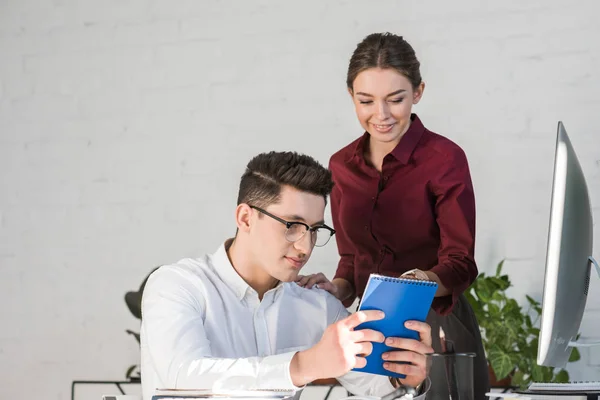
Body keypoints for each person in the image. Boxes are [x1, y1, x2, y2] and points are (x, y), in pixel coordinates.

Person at [140, 151, 434, 400]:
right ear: (245, 218)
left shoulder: (319, 306)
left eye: (315, 229)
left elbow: (377, 390)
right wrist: (302, 365)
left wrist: (404, 379)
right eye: (292, 225)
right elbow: (182, 377)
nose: (305, 246)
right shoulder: (176, 286)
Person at [296, 33, 490, 399]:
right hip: (371, 330)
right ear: (351, 96)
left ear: (418, 92)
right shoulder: (341, 166)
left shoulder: (444, 159)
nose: (381, 115)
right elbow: (352, 261)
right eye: (365, 100)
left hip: (435, 325)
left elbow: (461, 263)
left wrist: (419, 280)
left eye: (396, 99)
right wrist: (335, 288)